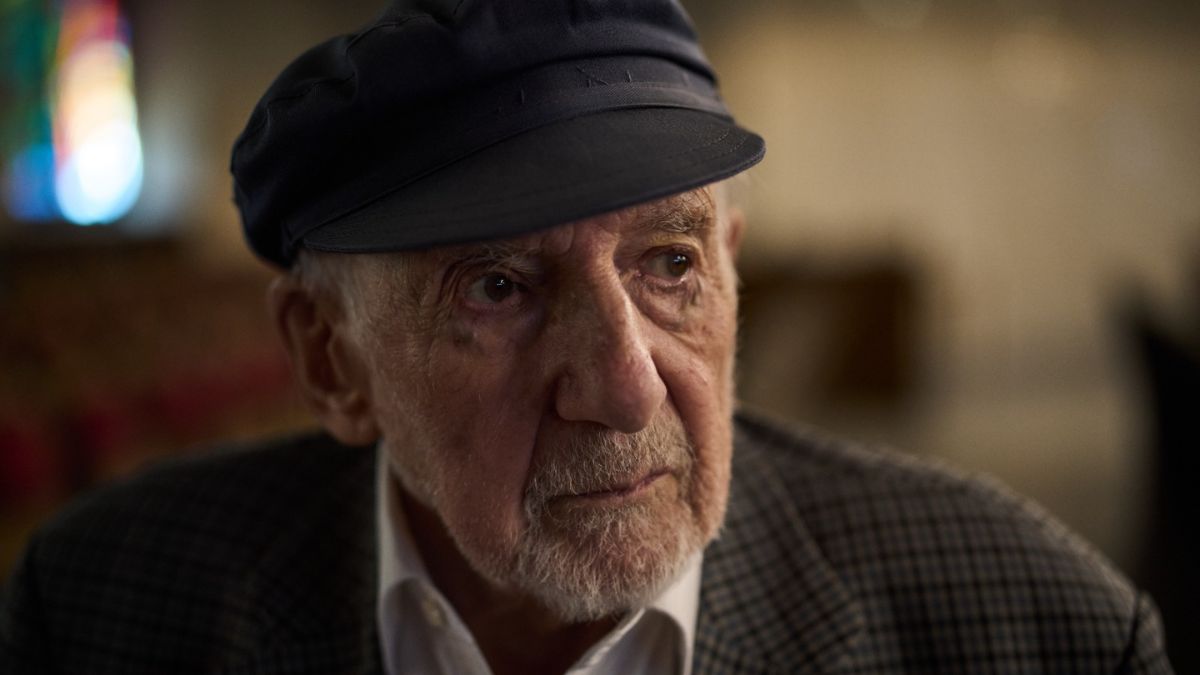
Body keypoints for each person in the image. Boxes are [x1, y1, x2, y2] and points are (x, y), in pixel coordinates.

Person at [0, 1, 1175, 673]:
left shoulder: (1041, 630)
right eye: (498, 287)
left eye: (669, 265)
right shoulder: (98, 611)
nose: (622, 389)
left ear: (730, 267)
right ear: (329, 359)